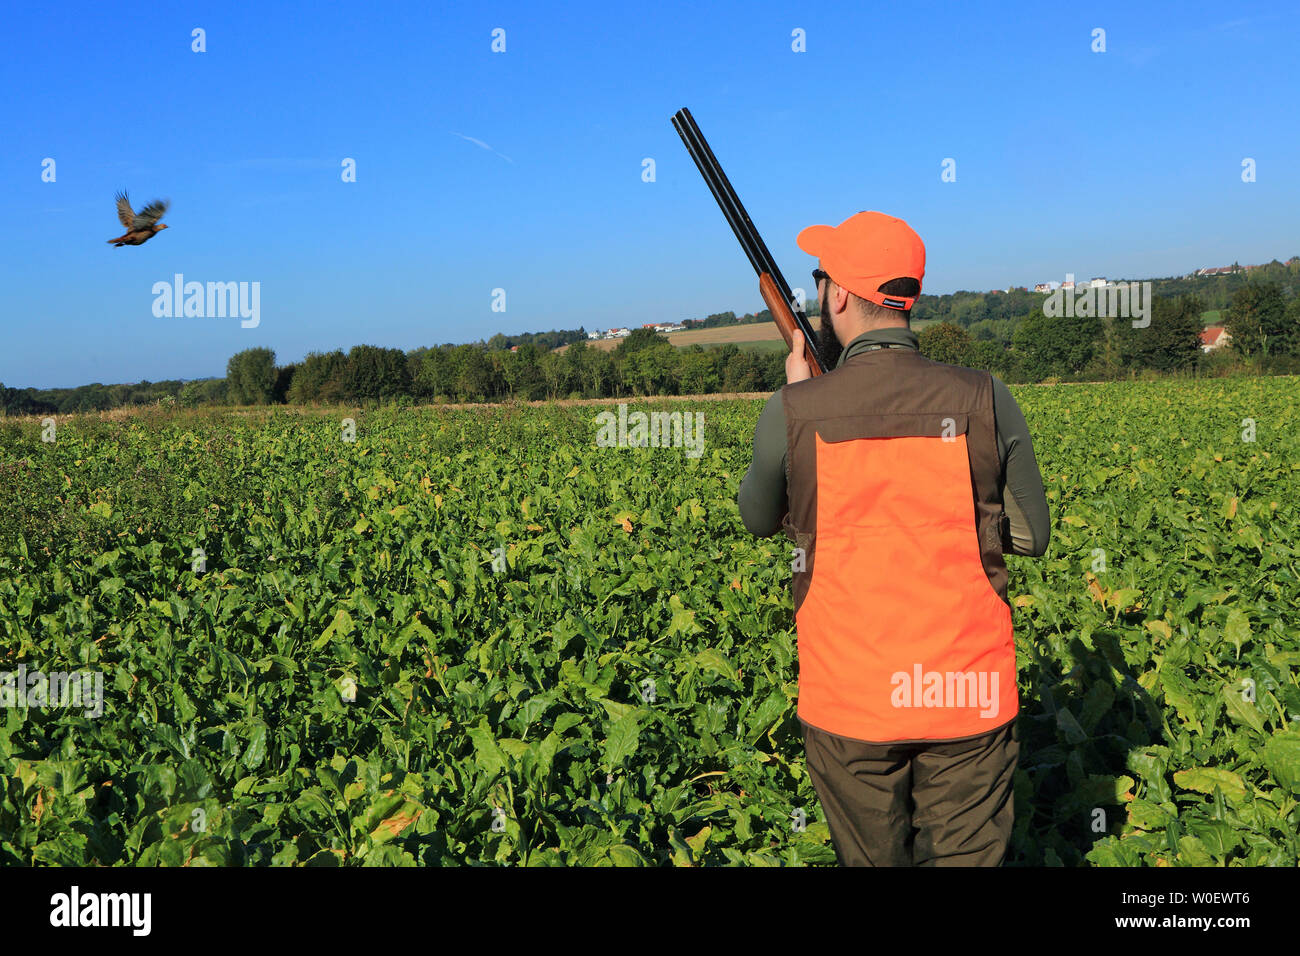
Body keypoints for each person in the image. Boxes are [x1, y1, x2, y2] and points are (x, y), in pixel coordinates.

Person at [737, 211, 1051, 866]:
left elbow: (758, 517)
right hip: (968, 695)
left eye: (821, 279)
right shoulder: (984, 396)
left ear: (841, 295)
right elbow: (1031, 535)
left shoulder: (792, 410)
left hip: (850, 701)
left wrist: (800, 408)